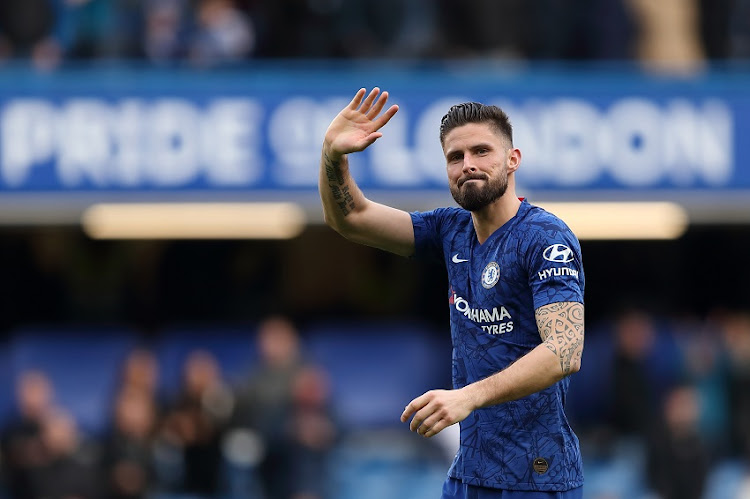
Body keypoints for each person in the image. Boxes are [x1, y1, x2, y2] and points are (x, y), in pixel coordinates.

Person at [318, 88, 585, 498]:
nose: (468, 165)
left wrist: (468, 397)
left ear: (513, 160)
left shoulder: (545, 238)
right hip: (469, 474)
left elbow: (566, 348)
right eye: (455, 157)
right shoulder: (450, 230)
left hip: (536, 476)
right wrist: (333, 156)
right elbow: (351, 217)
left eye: (482, 151)